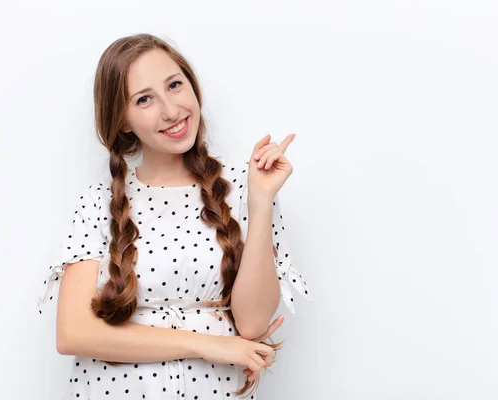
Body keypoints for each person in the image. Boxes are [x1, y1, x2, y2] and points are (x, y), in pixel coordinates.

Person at [37, 33, 312, 399]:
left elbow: (252, 323)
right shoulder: (98, 203)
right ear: (122, 120)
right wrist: (208, 344)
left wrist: (261, 203)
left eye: (175, 85)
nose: (170, 110)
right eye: (145, 99)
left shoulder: (245, 188)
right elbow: (73, 333)